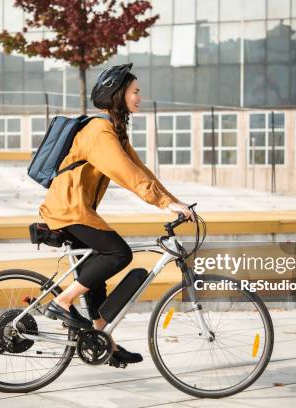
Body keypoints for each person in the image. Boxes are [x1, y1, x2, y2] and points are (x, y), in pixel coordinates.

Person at [39, 63, 194, 366]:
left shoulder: (115, 132)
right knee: (118, 254)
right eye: (135, 92)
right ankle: (62, 301)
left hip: (77, 209)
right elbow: (125, 174)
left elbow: (141, 171)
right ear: (118, 94)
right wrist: (162, 202)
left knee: (97, 278)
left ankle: (102, 341)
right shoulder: (99, 131)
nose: (140, 97)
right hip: (67, 210)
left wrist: (176, 202)